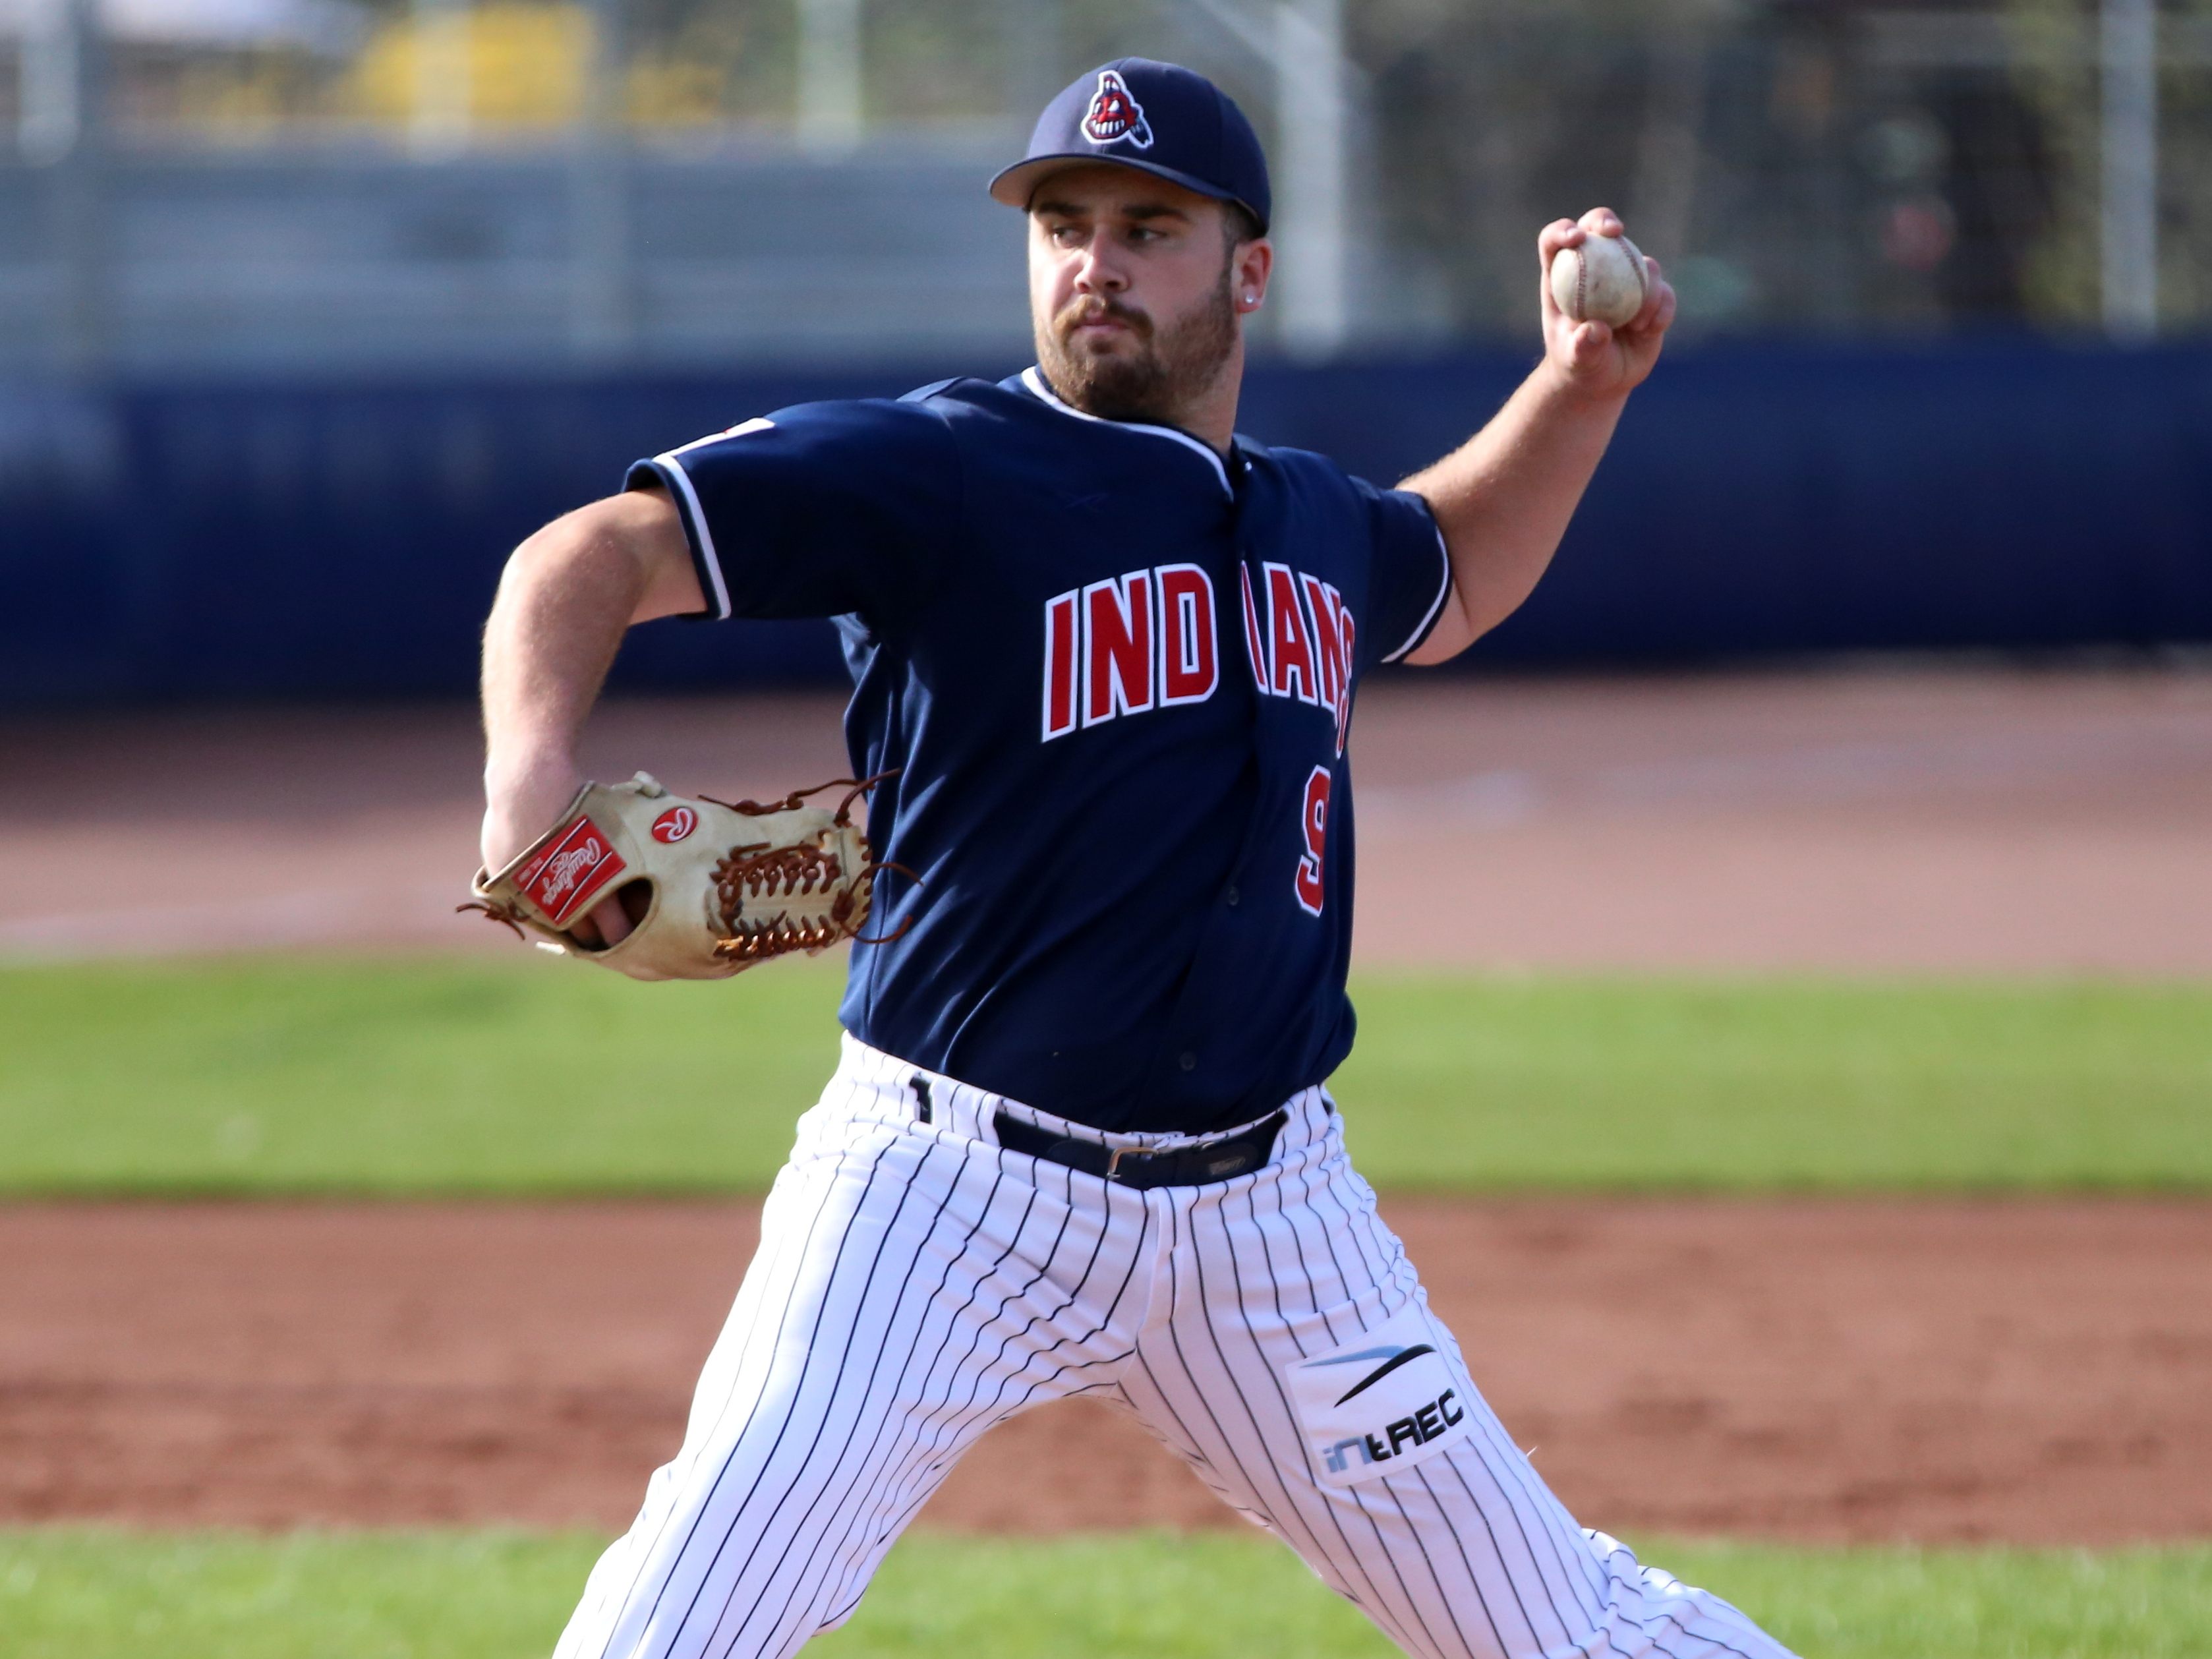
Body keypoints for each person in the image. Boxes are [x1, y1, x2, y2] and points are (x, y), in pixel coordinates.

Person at [479, 55, 1794, 1659]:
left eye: (1146, 226)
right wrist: (528, 782)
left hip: (1273, 1216)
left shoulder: (1310, 516)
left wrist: (1581, 389)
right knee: (680, 1624)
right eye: (1064, 224)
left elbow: (1448, 568)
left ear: (1247, 270)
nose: (1093, 259)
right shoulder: (939, 465)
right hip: (947, 1190)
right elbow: (590, 554)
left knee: (1562, 1625)